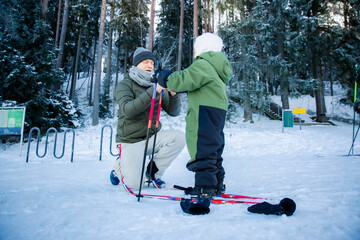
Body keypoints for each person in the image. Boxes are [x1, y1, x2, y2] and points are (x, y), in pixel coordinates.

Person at [154, 33, 233, 199]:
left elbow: (183, 79)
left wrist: (165, 77)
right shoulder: (216, 68)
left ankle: (204, 187)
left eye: (197, 47)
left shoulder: (204, 64)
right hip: (217, 111)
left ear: (205, 48)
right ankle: (216, 184)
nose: (195, 51)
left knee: (202, 147)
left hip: (205, 111)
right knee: (214, 147)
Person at [110, 47, 185, 191]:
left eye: (152, 62)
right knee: (135, 185)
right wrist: (153, 91)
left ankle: (152, 173)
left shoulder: (157, 85)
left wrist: (174, 95)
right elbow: (128, 110)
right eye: (145, 62)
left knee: (179, 138)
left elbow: (173, 112)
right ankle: (119, 166)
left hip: (151, 137)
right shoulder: (125, 85)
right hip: (130, 141)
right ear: (136, 65)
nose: (150, 65)